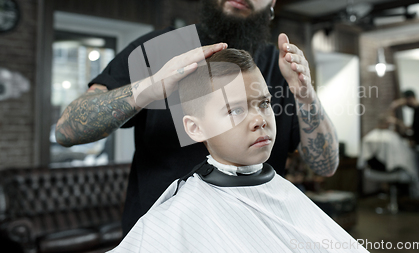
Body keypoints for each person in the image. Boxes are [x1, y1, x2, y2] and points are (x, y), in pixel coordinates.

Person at [55, 0, 339, 235]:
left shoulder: (282, 66)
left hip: (254, 236)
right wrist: (149, 88)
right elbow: (66, 129)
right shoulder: (157, 51)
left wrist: (306, 95)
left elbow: (326, 166)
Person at [109, 49, 368, 253]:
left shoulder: (285, 193)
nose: (260, 119)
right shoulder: (177, 216)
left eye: (264, 103)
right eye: (235, 110)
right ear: (195, 129)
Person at [390, 89, 419, 212]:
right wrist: (398, 104)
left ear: (410, 98)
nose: (406, 104)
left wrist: (397, 122)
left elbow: (413, 128)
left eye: (406, 101)